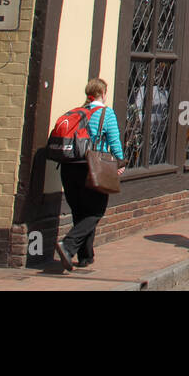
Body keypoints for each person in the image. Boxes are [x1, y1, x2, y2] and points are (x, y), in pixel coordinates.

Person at [54, 78, 126, 270]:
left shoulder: (76, 112)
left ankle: (86, 257)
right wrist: (120, 162)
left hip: (68, 166)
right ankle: (67, 246)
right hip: (91, 167)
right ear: (103, 93)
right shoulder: (105, 113)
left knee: (81, 212)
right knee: (95, 211)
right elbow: (114, 139)